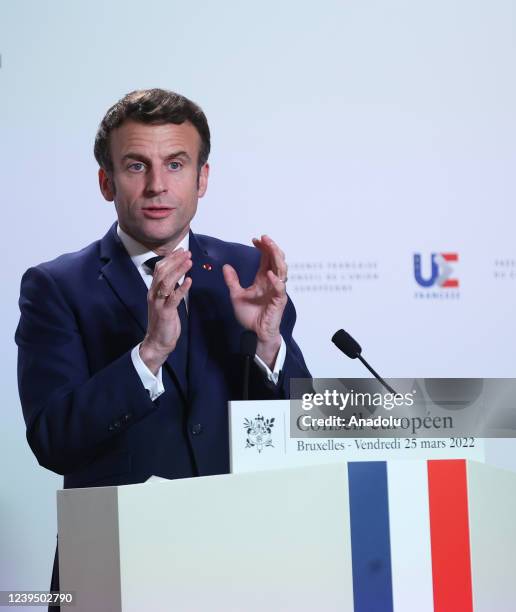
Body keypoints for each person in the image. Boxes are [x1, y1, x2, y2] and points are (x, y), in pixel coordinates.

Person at [15, 88, 310, 600]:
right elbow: (51, 440)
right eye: (135, 166)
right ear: (107, 182)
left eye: (176, 164)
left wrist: (267, 346)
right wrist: (148, 354)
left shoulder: (245, 271)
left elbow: (297, 425)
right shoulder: (56, 286)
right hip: (116, 564)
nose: (157, 185)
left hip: (245, 561)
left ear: (203, 178)